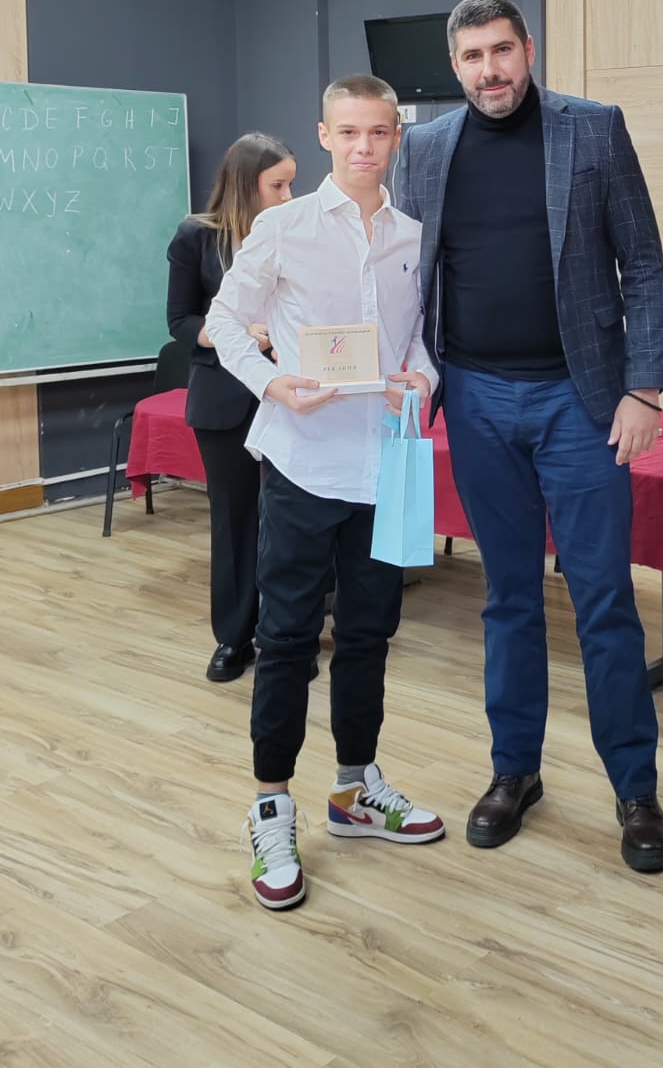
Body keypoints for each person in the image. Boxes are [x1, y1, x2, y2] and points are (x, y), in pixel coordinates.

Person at [397, 0, 663, 874]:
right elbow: (405, 275)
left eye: (502, 51)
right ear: (455, 66)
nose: (491, 70)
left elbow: (644, 262)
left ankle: (635, 790)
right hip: (476, 401)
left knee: (604, 601)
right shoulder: (424, 149)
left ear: (528, 48)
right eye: (472, 56)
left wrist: (644, 388)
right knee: (508, 597)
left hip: (580, 405)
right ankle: (514, 771)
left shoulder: (593, 129)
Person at [207, 74, 445, 912]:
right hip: (304, 465)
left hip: (385, 465)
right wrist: (272, 384)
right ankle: (272, 806)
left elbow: (420, 339)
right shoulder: (284, 226)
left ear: (396, 137)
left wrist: (422, 378)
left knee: (371, 634)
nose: (363, 147)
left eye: (377, 132)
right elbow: (224, 322)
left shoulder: (413, 235)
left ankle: (355, 789)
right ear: (323, 136)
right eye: (348, 132)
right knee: (286, 639)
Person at [166, 132, 296, 683]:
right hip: (223, 400)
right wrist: (235, 336)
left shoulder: (295, 232)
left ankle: (287, 635)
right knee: (235, 520)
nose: (288, 196)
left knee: (292, 521)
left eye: (291, 184)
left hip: (291, 396)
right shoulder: (196, 237)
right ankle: (234, 638)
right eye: (278, 186)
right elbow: (179, 321)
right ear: (246, 185)